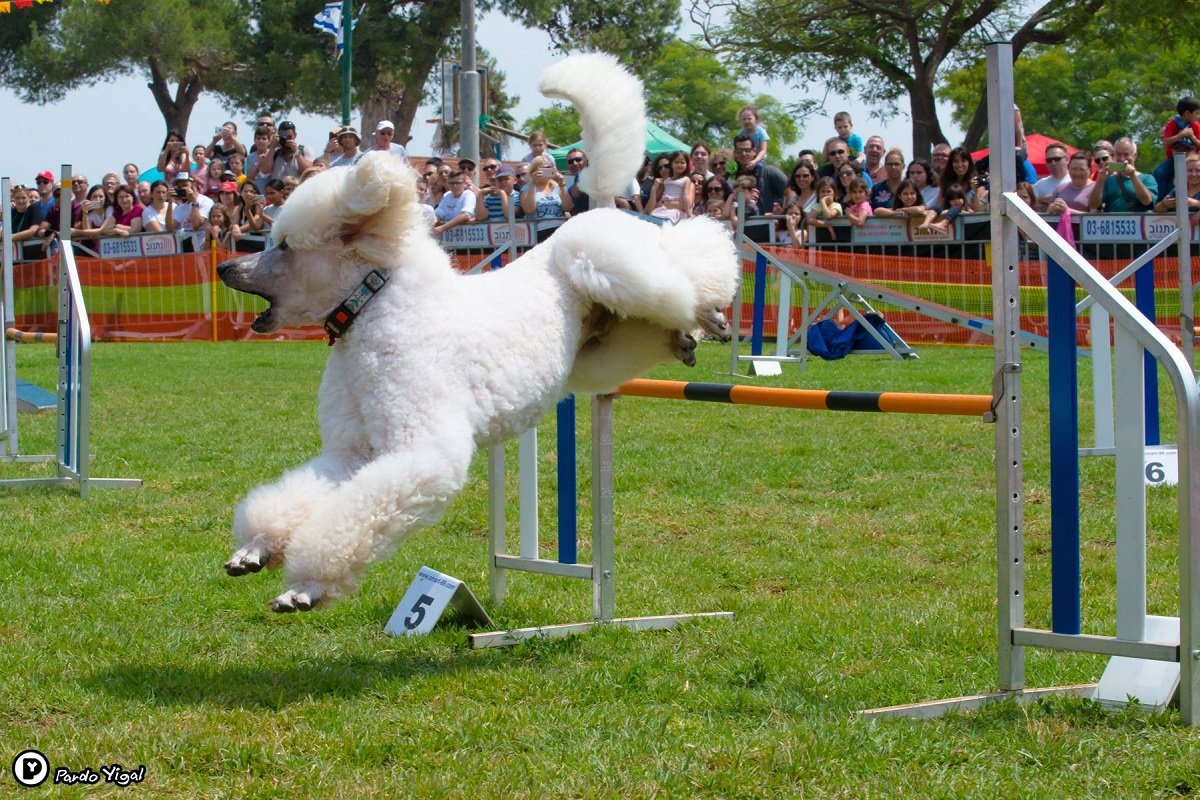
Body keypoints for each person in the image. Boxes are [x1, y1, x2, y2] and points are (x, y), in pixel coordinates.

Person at [1089, 137, 1157, 212]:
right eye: (1118, 154)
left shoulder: (1147, 178)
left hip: (1138, 223)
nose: (1122, 158)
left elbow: (1147, 201)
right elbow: (1093, 205)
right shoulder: (1108, 179)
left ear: (1135, 156)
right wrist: (1100, 182)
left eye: (1126, 154)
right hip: (1112, 222)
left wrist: (1133, 176)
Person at [1153, 97, 1200, 199]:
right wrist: (1181, 135)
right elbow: (1166, 142)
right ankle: (1162, 200)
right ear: (1187, 113)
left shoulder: (1195, 126)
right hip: (1174, 159)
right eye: (1196, 113)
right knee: (1159, 173)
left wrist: (1192, 137)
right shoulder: (1173, 124)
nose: (1198, 116)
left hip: (1192, 161)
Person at [732, 132, 787, 214]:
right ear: (735, 153)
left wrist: (781, 205)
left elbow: (791, 191)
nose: (743, 154)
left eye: (747, 150)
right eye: (740, 151)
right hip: (742, 225)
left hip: (769, 224)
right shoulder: (732, 177)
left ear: (754, 151)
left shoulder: (769, 172)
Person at [520, 155, 572, 238]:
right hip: (540, 231)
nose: (546, 171)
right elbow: (529, 210)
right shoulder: (527, 188)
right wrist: (533, 183)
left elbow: (568, 207)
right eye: (542, 169)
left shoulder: (557, 186)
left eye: (548, 168)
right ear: (534, 171)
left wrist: (562, 185)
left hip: (560, 229)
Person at [169, 174, 214, 252]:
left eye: (185, 185)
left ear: (194, 185)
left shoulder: (206, 201)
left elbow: (196, 224)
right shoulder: (180, 207)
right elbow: (170, 227)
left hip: (204, 246)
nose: (182, 188)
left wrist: (194, 201)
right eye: (179, 187)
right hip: (188, 248)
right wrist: (170, 203)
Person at [648, 150, 694, 223]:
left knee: (668, 219)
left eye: (682, 162)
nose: (679, 165)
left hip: (675, 210)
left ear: (687, 165)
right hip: (663, 208)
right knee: (654, 217)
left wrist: (688, 212)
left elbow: (686, 197)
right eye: (676, 162)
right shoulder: (666, 180)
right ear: (671, 164)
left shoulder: (686, 180)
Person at [938, 147, 986, 212]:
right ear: (951, 164)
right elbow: (940, 207)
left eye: (963, 161)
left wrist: (975, 191)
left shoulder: (978, 184)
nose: (959, 165)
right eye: (956, 161)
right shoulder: (945, 184)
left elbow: (979, 212)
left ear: (969, 163)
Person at [1153, 153, 1200, 218]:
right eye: (1190, 170)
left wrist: (1197, 203)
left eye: (1198, 170)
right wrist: (1163, 204)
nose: (1193, 174)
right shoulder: (1177, 190)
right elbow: (1157, 210)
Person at [433, 170, 477, 235]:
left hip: (466, 236)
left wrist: (442, 228)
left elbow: (466, 215)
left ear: (465, 184)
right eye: (451, 183)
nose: (454, 186)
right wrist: (430, 225)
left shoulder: (469, 194)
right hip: (451, 238)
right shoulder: (447, 196)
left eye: (458, 183)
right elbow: (438, 214)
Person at [1032, 143, 1070, 211]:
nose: (1053, 163)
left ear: (1067, 160)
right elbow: (1030, 207)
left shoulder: (1077, 181)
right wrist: (1042, 200)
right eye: (1049, 160)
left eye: (1057, 159)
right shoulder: (1040, 185)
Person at [564, 148, 590, 213]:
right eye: (570, 161)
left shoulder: (596, 175)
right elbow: (574, 194)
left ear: (585, 161)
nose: (575, 163)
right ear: (568, 165)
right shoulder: (563, 182)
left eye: (578, 160)